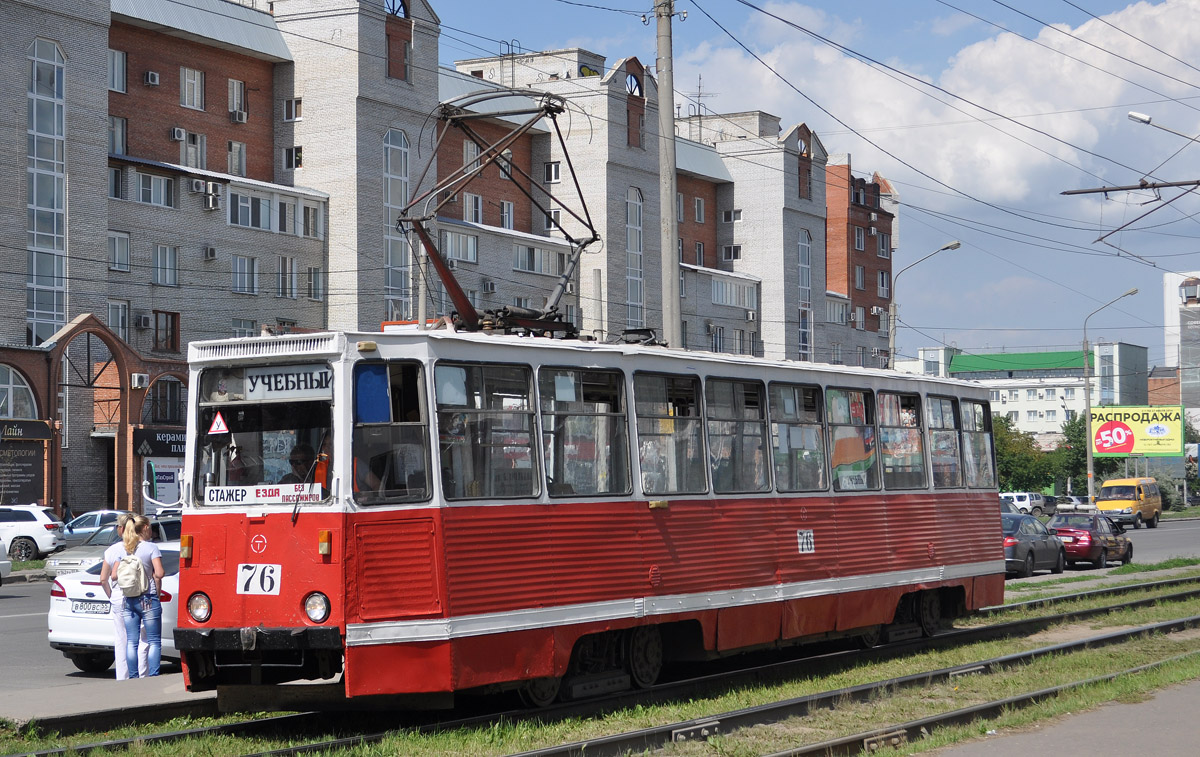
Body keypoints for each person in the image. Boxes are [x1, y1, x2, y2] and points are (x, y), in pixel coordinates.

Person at [101, 515, 164, 678]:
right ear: (144, 528)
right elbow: (159, 574)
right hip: (147, 598)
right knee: (152, 641)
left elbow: (112, 576)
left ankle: (132, 677)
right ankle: (151, 675)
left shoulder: (124, 549)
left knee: (130, 641)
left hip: (128, 599)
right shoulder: (150, 548)